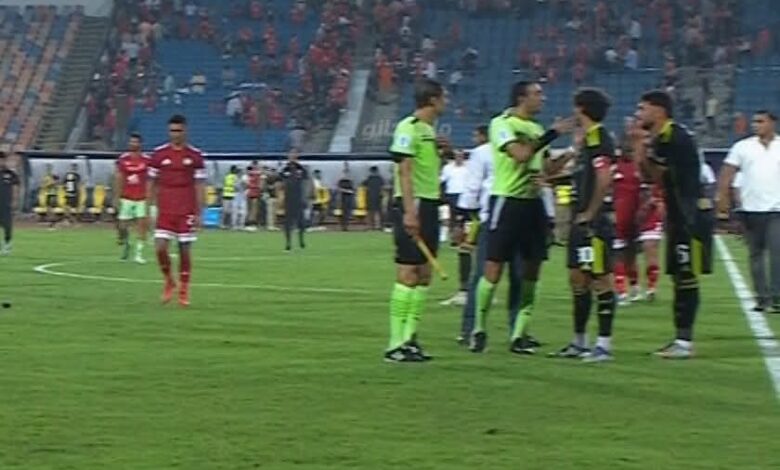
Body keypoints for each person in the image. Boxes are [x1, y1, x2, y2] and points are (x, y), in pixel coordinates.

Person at [470, 80, 573, 355]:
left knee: (532, 270)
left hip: (533, 204)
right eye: (537, 94)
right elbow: (520, 155)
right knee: (493, 269)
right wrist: (553, 133)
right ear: (521, 97)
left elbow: (546, 167)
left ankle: (519, 335)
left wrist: (570, 152)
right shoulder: (502, 123)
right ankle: (478, 329)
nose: (543, 98)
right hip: (507, 201)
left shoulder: (536, 128)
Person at [631, 90, 714, 359]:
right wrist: (641, 149)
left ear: (659, 110)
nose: (638, 114)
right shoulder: (663, 137)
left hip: (690, 217)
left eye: (642, 108)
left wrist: (641, 147)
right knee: (680, 276)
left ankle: (685, 342)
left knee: (686, 276)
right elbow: (648, 176)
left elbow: (656, 174)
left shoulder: (674, 137)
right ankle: (681, 339)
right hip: (680, 216)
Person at [548, 88, 617, 362]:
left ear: (581, 109)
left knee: (600, 279)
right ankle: (579, 342)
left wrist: (590, 211)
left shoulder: (599, 137)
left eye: (575, 107)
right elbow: (574, 175)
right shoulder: (585, 141)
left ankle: (603, 345)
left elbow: (604, 177)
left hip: (594, 223)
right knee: (578, 279)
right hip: (580, 221)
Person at [385, 78, 448, 363]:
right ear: (433, 100)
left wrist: (444, 154)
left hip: (430, 204)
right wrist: (410, 211)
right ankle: (394, 344)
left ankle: (410, 339)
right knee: (408, 272)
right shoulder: (407, 127)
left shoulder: (429, 131)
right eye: (443, 98)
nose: (446, 102)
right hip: (414, 204)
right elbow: (405, 171)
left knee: (424, 274)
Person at [717, 110, 780, 313]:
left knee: (777, 253)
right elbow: (727, 173)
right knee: (755, 255)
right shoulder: (742, 146)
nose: (755, 125)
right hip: (750, 209)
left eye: (760, 121)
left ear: (772, 123)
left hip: (777, 209)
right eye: (754, 121)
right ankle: (762, 298)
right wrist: (723, 199)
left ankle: (777, 297)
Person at [147, 114, 207, 307]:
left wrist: (200, 212)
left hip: (186, 208)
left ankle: (184, 289)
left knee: (184, 250)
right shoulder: (158, 154)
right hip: (165, 209)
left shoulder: (195, 156)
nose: (175, 134)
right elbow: (151, 182)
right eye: (172, 131)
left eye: (179, 131)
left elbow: (200, 185)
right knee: (160, 248)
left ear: (185, 131)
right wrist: (148, 208)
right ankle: (169, 280)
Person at [442, 126, 488, 307]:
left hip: (473, 209)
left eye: (476, 135)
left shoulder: (479, 155)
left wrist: (462, 215)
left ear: (483, 136)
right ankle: (484, 289)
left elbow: (473, 186)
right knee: (484, 250)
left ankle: (465, 291)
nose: (473, 138)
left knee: (465, 248)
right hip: (489, 207)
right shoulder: (499, 154)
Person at [115, 133, 151, 263]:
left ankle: (139, 254)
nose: (133, 144)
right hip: (126, 197)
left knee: (142, 225)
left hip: (141, 198)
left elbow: (150, 180)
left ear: (140, 144)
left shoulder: (147, 160)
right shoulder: (123, 159)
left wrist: (150, 198)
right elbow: (119, 178)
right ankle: (126, 243)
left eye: (135, 142)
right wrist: (117, 197)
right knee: (122, 226)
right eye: (131, 142)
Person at [280, 149, 307, 251]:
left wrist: (305, 197)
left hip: (298, 198)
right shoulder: (285, 169)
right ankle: (288, 243)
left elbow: (305, 182)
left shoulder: (301, 169)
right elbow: (281, 180)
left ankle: (301, 241)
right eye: (291, 155)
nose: (292, 157)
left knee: (301, 222)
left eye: (294, 155)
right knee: (288, 223)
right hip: (289, 199)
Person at [440, 149, 468, 238]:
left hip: (464, 194)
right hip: (452, 194)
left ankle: (461, 235)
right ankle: (452, 235)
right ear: (454, 156)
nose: (459, 158)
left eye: (461, 156)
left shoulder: (469, 167)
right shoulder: (447, 168)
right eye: (457, 156)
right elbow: (442, 179)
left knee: (463, 217)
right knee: (453, 216)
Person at [0, 152, 19, 255]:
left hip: (6, 204)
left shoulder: (10, 174)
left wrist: (15, 201)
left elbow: (15, 188)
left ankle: (7, 244)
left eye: (2, 159)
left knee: (7, 226)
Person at [364, 166, 385, 230]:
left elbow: (363, 184)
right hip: (378, 197)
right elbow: (383, 187)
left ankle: (371, 226)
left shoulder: (369, 178)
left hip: (370, 197)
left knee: (371, 211)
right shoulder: (380, 178)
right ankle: (379, 226)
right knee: (379, 211)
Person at [246, 162, 262, 231]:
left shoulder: (252, 173)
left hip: (254, 192)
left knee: (253, 209)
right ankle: (251, 223)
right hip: (252, 192)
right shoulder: (256, 173)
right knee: (252, 209)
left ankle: (252, 223)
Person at [40, 164, 58, 228]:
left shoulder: (54, 176)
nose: (48, 170)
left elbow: (55, 184)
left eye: (49, 168)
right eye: (47, 168)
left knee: (51, 208)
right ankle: (51, 221)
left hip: (52, 194)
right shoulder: (45, 177)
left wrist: (51, 184)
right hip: (47, 194)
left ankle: (53, 222)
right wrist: (46, 185)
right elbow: (43, 185)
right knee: (48, 208)